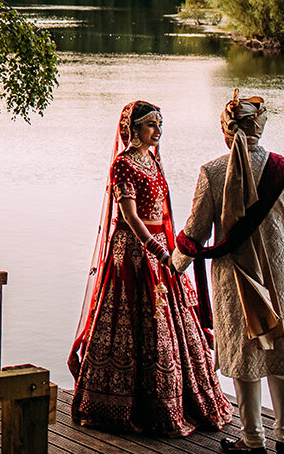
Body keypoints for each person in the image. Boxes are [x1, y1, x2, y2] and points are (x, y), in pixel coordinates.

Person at [69, 100, 233, 436]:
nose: (157, 132)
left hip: (159, 249)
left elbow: (164, 211)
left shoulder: (153, 162)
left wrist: (171, 249)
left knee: (169, 321)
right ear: (133, 129)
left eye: (159, 125)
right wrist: (157, 249)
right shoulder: (123, 165)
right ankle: (126, 404)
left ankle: (180, 399)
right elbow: (129, 216)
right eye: (151, 125)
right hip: (133, 251)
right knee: (138, 322)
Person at [170, 91, 284, 454]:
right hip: (280, 277)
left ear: (226, 131)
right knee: (280, 351)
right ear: (260, 129)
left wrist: (174, 267)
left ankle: (252, 438)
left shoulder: (212, 171)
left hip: (234, 279)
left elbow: (195, 232)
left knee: (244, 356)